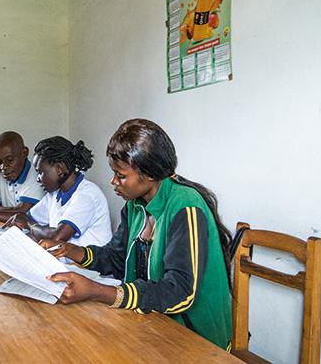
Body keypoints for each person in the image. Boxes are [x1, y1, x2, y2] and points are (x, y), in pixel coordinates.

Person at [41, 119, 233, 349]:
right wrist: (72, 251)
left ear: (150, 174)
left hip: (195, 338)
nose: (113, 181)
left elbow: (181, 292)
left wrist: (98, 291)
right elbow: (116, 258)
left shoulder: (186, 206)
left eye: (120, 175)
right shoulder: (135, 205)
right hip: (149, 322)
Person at [3, 136, 112, 248]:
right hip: (63, 261)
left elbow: (56, 237)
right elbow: (29, 218)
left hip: (84, 265)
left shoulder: (87, 195)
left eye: (41, 172)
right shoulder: (55, 194)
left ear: (59, 169)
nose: (38, 178)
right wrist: (27, 221)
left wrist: (29, 225)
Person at [0, 131, 45, 222]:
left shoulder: (37, 175)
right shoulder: (1, 172)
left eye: (10, 160)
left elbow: (22, 212)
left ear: (24, 153)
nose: (3, 167)